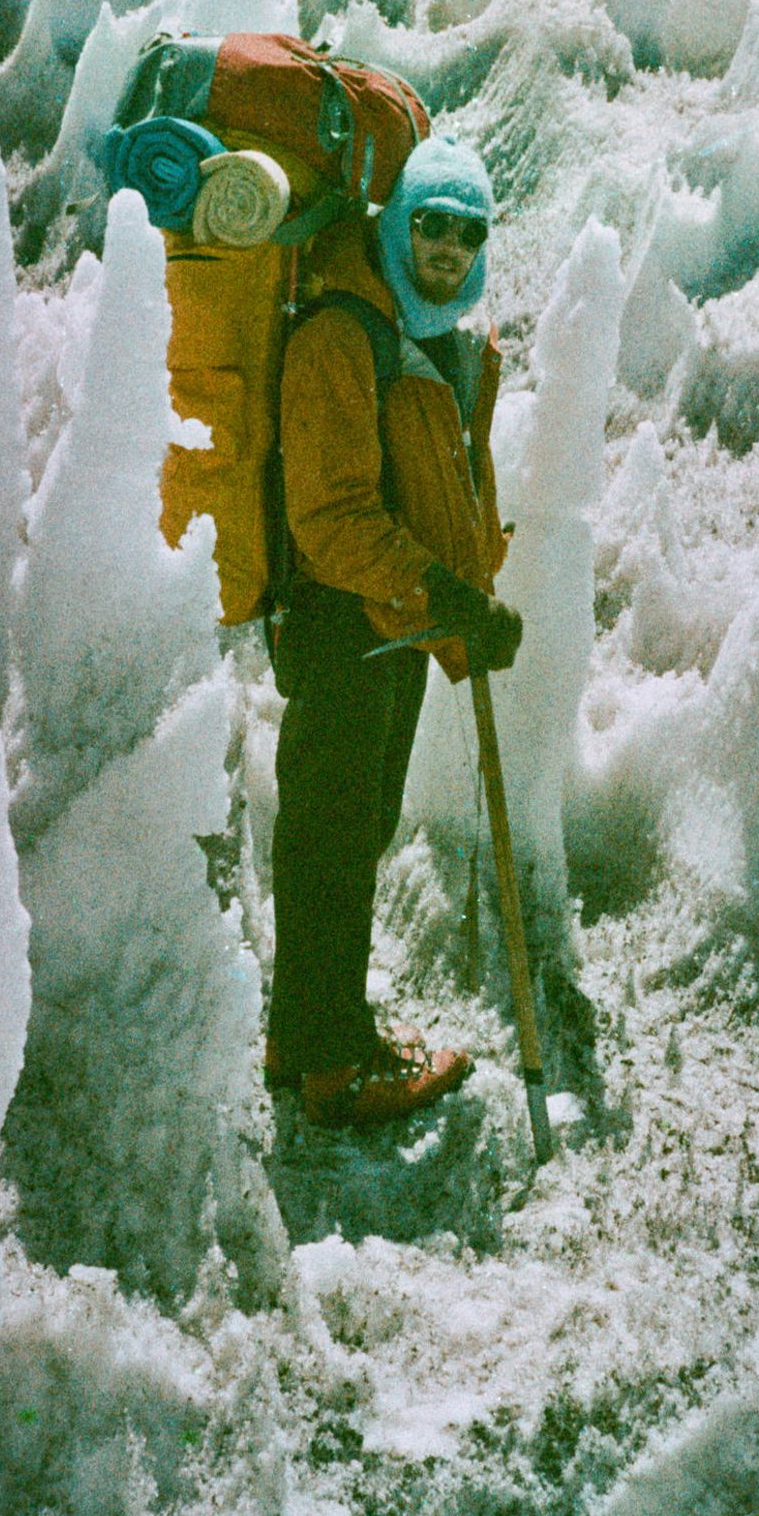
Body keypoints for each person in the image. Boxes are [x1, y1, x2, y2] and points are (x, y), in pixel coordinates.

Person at [264, 135, 522, 1129]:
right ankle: (336, 1074)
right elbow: (330, 519)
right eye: (430, 223)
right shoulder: (343, 332)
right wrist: (445, 594)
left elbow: (450, 482)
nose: (448, 248)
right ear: (398, 219)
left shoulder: (449, 335)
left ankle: (313, 1035)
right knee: (330, 837)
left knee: (349, 831)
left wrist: (465, 593)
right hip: (343, 620)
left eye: (468, 231)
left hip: (401, 620)